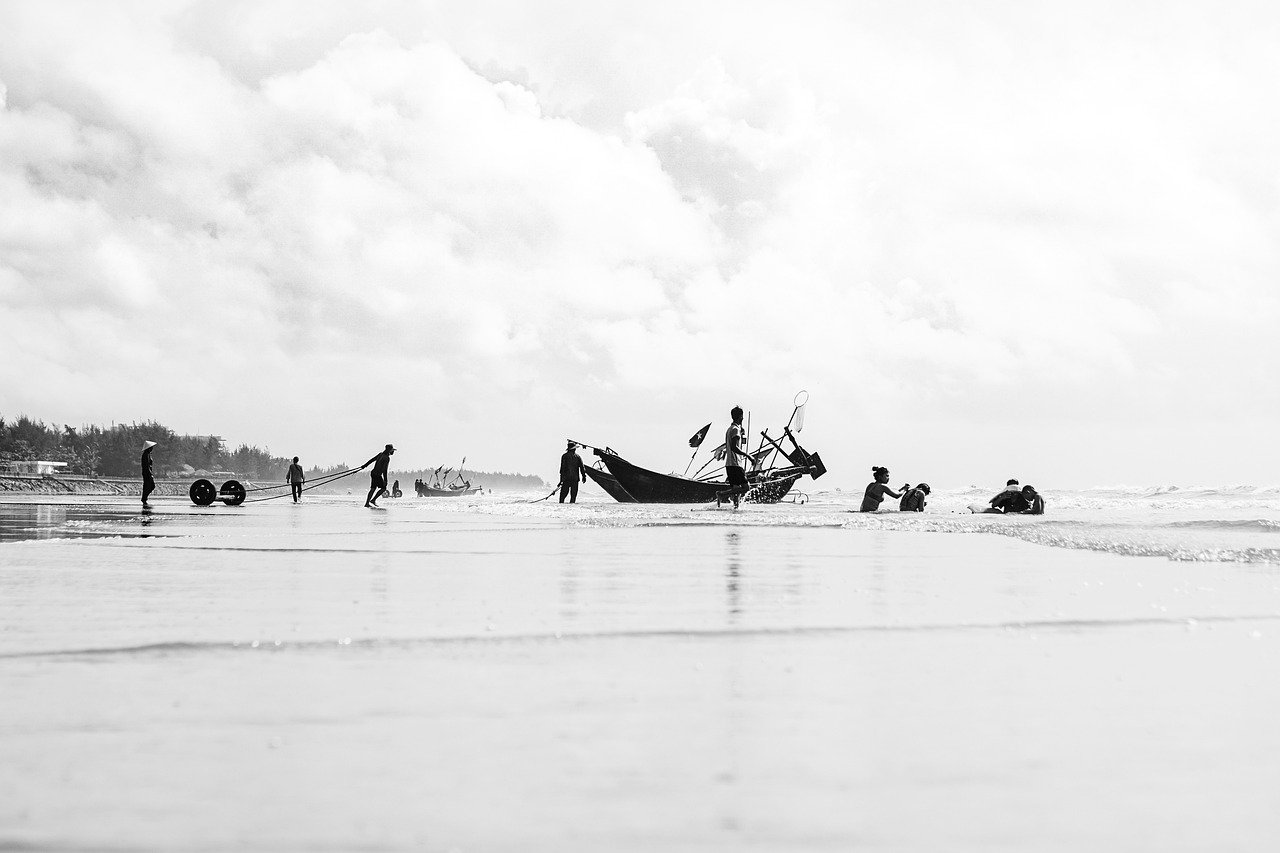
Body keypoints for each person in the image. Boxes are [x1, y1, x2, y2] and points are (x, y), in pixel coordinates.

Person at [716, 406, 750, 508]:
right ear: (741, 417)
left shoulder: (731, 429)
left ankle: (736, 509)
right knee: (746, 487)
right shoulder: (735, 430)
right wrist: (748, 456)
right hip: (735, 464)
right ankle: (721, 494)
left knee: (736, 491)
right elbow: (734, 448)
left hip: (730, 464)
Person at [140, 440, 157, 508]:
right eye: (151, 447)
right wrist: (150, 474)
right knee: (151, 485)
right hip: (147, 473)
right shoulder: (145, 455)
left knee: (147, 486)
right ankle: (144, 498)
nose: (152, 448)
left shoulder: (148, 454)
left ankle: (144, 498)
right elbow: (146, 465)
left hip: (147, 472)